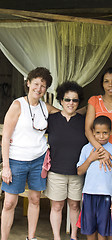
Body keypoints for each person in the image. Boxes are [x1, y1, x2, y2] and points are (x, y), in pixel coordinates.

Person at [1, 67, 58, 240]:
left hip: (38, 160)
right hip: (16, 160)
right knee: (10, 202)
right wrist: (6, 167)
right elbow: (6, 138)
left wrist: (85, 110)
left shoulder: (45, 107)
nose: (39, 88)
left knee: (35, 200)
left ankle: (30, 237)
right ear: (28, 83)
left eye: (43, 85)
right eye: (36, 84)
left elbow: (65, 115)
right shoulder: (18, 105)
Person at [44, 81, 88, 240]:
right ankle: (57, 237)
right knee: (56, 206)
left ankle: (74, 237)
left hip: (77, 172)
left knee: (75, 205)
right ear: (61, 100)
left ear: (79, 102)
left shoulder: (84, 122)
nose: (71, 103)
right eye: (67, 99)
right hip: (56, 171)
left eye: (75, 100)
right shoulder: (52, 119)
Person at [77, 116, 112, 240]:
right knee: (89, 228)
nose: (101, 136)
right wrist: (91, 159)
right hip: (88, 194)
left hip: (106, 196)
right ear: (93, 132)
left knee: (103, 230)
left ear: (111, 132)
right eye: (98, 133)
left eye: (105, 133)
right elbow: (79, 171)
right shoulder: (86, 149)